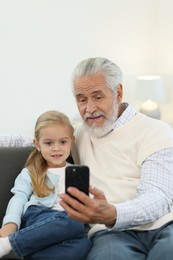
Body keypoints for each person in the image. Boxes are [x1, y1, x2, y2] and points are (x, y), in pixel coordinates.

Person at [60, 57, 173, 260]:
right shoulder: (78, 136)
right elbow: (33, 140)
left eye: (97, 97)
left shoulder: (156, 131)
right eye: (81, 99)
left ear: (118, 93)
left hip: (164, 224)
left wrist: (114, 213)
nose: (89, 108)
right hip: (111, 234)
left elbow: (158, 197)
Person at [0, 110, 91, 260]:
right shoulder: (31, 172)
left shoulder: (77, 172)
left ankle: (21, 248)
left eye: (63, 142)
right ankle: (6, 244)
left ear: (72, 141)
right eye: (49, 143)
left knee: (84, 245)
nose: (56, 148)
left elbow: (86, 201)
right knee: (73, 222)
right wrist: (10, 223)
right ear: (37, 144)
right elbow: (19, 198)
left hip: (67, 228)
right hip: (39, 216)